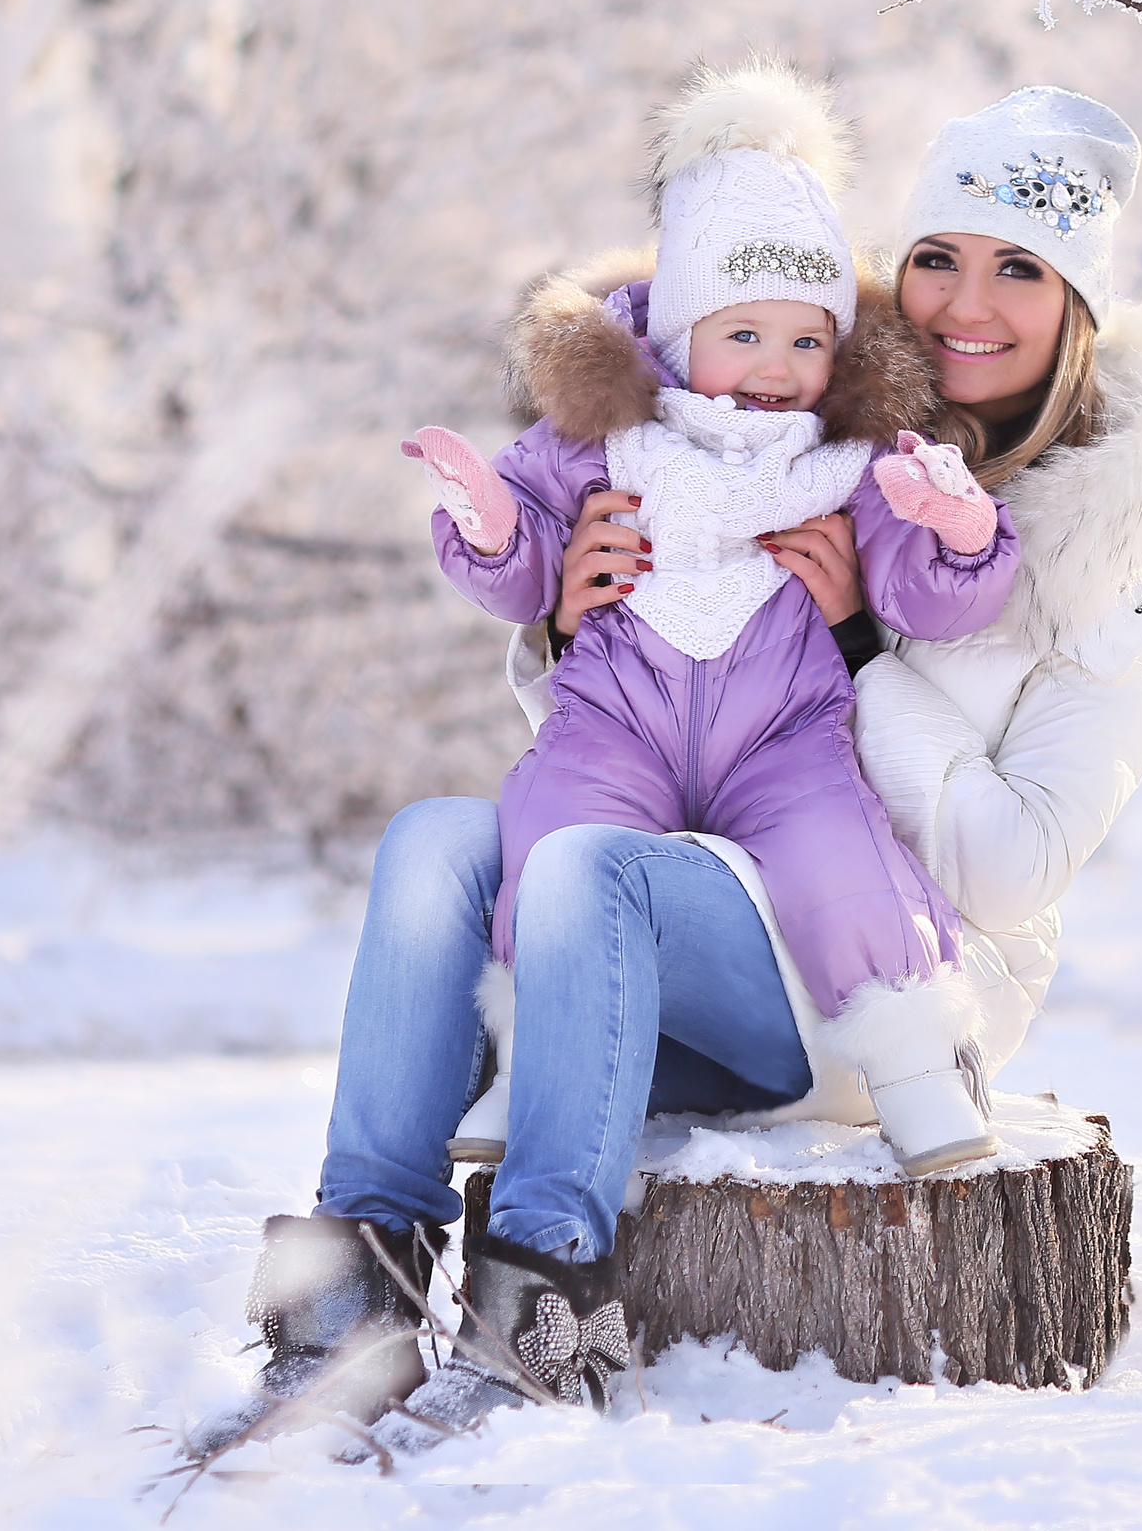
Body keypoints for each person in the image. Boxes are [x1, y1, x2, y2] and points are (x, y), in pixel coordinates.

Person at [195, 83, 1142, 1458]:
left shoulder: (1117, 557)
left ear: (1080, 308)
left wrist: (861, 649)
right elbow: (642, 713)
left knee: (581, 865)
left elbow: (1010, 863)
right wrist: (574, 610)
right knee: (436, 845)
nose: (964, 301)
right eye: (938, 254)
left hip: (880, 990)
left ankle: (544, 1314)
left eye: (1020, 270)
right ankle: (359, 1291)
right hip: (675, 896)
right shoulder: (816, 423)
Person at [402, 61, 1018, 1191]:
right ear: (682, 338)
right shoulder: (600, 441)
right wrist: (493, 525)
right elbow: (530, 557)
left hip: (783, 737)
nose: (777, 372)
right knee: (552, 832)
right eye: (744, 338)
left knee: (846, 857)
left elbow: (925, 594)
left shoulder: (848, 461)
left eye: (804, 341)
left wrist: (956, 535)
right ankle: (527, 1054)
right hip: (614, 725)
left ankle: (916, 1069)